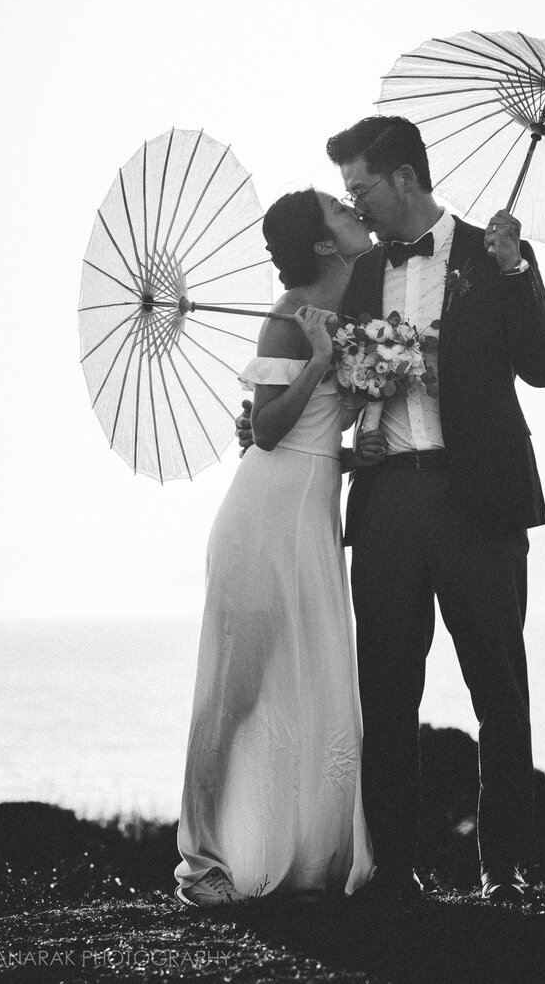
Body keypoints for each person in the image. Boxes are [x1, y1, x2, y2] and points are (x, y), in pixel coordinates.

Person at [239, 115, 545, 908]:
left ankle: (505, 869)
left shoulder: (496, 255)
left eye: (360, 189)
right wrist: (271, 418)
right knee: (386, 691)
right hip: (386, 501)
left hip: (479, 496)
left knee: (500, 689)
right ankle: (393, 870)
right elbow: (326, 373)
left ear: (404, 179)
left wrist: (516, 268)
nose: (357, 204)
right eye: (347, 193)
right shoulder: (360, 274)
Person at [174, 187, 385, 908]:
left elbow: (315, 435)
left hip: (312, 514)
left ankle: (307, 855)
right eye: (339, 209)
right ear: (325, 244)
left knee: (310, 678)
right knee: (234, 692)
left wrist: (354, 455)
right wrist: (322, 361)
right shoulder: (287, 319)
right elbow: (264, 430)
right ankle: (201, 865)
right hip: (263, 521)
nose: (353, 212)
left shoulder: (343, 309)